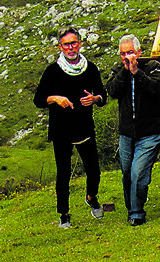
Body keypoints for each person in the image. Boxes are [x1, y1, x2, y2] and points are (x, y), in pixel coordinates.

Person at [33, 27, 107, 229]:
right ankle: (64, 215)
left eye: (74, 43)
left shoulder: (90, 68)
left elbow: (102, 95)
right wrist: (56, 98)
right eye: (66, 44)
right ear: (60, 47)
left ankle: (91, 196)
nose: (71, 47)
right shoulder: (52, 71)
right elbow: (38, 99)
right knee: (63, 173)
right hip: (61, 129)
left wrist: (95, 98)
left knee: (94, 169)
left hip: (84, 126)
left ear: (80, 44)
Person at [105, 35, 160, 226]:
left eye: (130, 52)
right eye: (123, 53)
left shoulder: (153, 67)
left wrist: (137, 72)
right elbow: (112, 90)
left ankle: (136, 212)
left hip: (150, 131)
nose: (126, 57)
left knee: (138, 172)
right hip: (126, 133)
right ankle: (131, 207)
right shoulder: (117, 70)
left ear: (139, 52)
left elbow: (155, 89)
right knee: (126, 173)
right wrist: (125, 72)